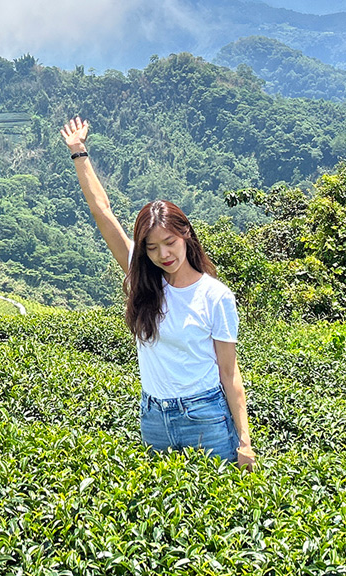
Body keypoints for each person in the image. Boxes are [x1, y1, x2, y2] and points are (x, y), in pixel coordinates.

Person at [60, 116, 256, 471]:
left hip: (205, 417)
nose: (164, 254)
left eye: (170, 242)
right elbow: (102, 213)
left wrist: (244, 440)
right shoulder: (145, 280)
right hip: (153, 417)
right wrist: (79, 152)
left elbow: (230, 374)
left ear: (186, 235)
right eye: (152, 247)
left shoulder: (216, 296)